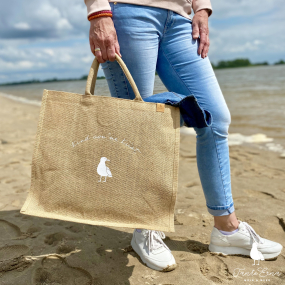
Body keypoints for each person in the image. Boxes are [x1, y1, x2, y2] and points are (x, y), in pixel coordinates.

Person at [84, 0, 283, 272]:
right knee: (139, 125)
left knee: (214, 117)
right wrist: (98, 11)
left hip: (180, 19)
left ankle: (226, 229)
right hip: (128, 11)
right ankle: (146, 228)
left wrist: (202, 7)